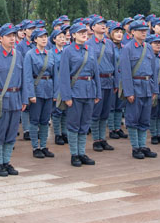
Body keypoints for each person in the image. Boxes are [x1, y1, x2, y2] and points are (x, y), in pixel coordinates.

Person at [0, 23, 33, 176]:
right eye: (9, 36)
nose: (12, 39)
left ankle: (7, 162)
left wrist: (24, 99)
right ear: (0, 38)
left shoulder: (18, 55)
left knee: (12, 133)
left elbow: (24, 78)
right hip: (1, 100)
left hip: (16, 98)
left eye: (14, 36)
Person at [60, 23, 101, 167]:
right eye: (81, 32)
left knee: (85, 124)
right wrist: (66, 96)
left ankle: (82, 152)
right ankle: (74, 154)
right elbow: (64, 75)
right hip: (75, 91)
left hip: (89, 90)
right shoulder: (68, 51)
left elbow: (96, 73)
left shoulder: (90, 50)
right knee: (73, 124)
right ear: (73, 35)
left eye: (85, 32)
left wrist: (98, 93)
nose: (84, 34)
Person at [120, 21, 158, 159]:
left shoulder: (148, 47)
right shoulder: (128, 48)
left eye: (145, 30)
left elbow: (153, 70)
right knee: (133, 119)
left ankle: (142, 145)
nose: (143, 32)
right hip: (135, 87)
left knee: (144, 119)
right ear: (132, 32)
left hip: (147, 87)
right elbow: (125, 72)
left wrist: (154, 89)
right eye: (140, 30)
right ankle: (135, 147)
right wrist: (129, 92)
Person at [24, 27, 56, 159]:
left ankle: (43, 145)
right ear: (35, 39)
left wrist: (56, 92)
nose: (44, 39)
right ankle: (35, 147)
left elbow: (55, 74)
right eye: (41, 37)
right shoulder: (30, 54)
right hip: (37, 90)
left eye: (45, 36)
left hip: (48, 89)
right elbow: (27, 76)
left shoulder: (50, 53)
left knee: (45, 120)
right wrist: (30, 94)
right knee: (34, 120)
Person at [89, 17, 117, 153]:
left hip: (109, 80)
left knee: (106, 111)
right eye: (99, 24)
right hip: (96, 81)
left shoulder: (110, 44)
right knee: (96, 112)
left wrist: (116, 82)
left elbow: (114, 63)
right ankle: (96, 140)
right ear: (92, 27)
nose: (103, 26)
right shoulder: (88, 44)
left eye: (104, 24)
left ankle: (103, 138)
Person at [50, 29, 69, 145]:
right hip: (56, 84)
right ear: (54, 39)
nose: (62, 39)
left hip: (66, 84)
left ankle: (64, 133)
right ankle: (57, 134)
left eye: (64, 37)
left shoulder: (67, 51)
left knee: (66, 110)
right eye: (60, 37)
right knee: (57, 111)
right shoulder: (51, 53)